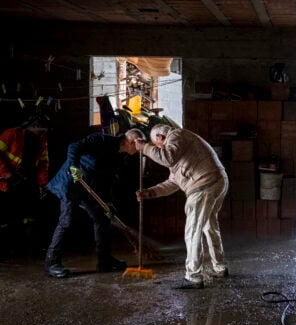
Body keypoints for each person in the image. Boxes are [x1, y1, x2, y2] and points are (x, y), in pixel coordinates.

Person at [135, 124, 229, 289]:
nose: (158, 148)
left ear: (159, 138)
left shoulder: (176, 135)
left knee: (193, 231)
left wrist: (145, 148)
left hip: (204, 184)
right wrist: (150, 192)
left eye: (156, 145)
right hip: (215, 181)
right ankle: (220, 266)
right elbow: (173, 182)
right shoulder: (179, 150)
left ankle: (193, 276)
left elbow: (166, 157)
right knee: (209, 226)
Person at [44, 128, 145, 278]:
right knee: (67, 221)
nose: (139, 149)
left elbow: (107, 181)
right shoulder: (101, 140)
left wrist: (107, 202)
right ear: (130, 142)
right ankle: (51, 263)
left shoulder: (118, 157)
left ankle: (104, 261)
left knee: (103, 219)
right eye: (138, 144)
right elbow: (74, 147)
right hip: (71, 183)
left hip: (89, 189)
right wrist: (73, 166)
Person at [0, 113, 51, 251]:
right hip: (7, 182)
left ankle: (24, 245)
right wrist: (5, 172)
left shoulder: (42, 141)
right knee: (8, 213)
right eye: (42, 129)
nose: (44, 133)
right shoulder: (11, 134)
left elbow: (43, 163)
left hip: (26, 181)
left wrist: (43, 183)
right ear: (34, 125)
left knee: (27, 214)